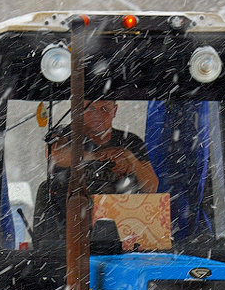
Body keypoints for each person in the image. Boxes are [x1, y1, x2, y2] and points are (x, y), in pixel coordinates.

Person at [33, 99, 159, 234]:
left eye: (104, 109)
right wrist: (100, 156)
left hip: (119, 229)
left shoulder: (130, 142)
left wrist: (129, 158)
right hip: (67, 228)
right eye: (90, 108)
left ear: (114, 111)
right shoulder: (65, 135)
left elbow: (151, 187)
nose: (97, 114)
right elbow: (55, 155)